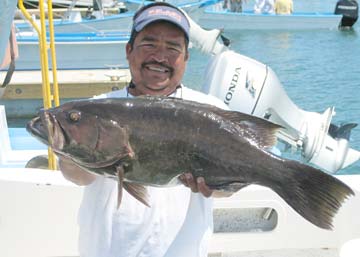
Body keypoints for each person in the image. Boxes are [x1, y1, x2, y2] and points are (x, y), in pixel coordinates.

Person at [58, 2, 231, 257]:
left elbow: (229, 188)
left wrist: (217, 185)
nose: (160, 57)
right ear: (129, 51)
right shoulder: (96, 108)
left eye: (173, 47)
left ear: (186, 58)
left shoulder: (211, 112)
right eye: (149, 44)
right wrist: (70, 147)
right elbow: (78, 176)